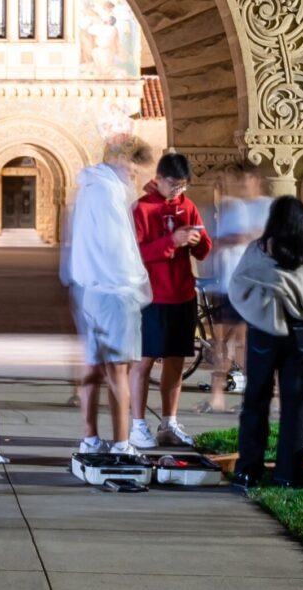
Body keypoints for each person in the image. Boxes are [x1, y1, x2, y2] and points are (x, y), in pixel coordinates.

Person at [226, 195, 303, 488]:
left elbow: (237, 287)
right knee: (295, 407)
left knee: (255, 402)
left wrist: (261, 312)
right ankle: (288, 473)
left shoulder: (260, 250)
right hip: (301, 337)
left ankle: (248, 468)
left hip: (263, 334)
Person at [61, 134, 151, 456]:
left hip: (88, 290)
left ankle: (90, 439)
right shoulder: (110, 192)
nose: (136, 176)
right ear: (121, 161)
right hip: (115, 292)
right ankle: (123, 444)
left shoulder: (87, 189)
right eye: (133, 167)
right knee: (118, 371)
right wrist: (139, 282)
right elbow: (118, 249)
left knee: (92, 368)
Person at [129, 149, 212, 449]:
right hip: (152, 296)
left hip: (182, 293)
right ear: (159, 179)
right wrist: (171, 241)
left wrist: (199, 240)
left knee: (176, 360)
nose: (179, 191)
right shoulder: (141, 209)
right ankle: (138, 424)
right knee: (144, 360)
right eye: (174, 185)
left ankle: (169, 422)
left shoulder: (187, 206)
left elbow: (204, 249)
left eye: (183, 185)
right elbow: (135, 254)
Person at [200, 163, 270, 412]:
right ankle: (217, 394)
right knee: (220, 340)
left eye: (246, 179)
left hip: (253, 284)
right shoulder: (227, 207)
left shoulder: (266, 207)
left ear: (256, 181)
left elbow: (266, 240)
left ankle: (250, 396)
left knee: (245, 341)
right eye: (238, 179)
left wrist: (246, 238)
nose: (242, 183)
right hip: (225, 282)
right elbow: (211, 241)